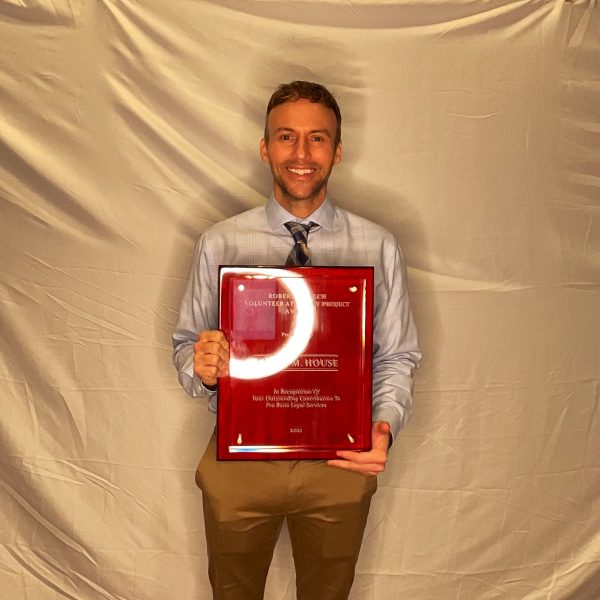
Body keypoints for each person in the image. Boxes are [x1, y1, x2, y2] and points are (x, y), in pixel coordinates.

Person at [172, 81, 421, 600]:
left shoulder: (378, 244)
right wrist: (203, 368)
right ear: (265, 148)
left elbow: (397, 354)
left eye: (317, 138)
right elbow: (186, 347)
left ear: (337, 150)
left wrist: (383, 427)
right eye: (286, 137)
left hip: (339, 459)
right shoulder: (219, 241)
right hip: (241, 456)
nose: (301, 153)